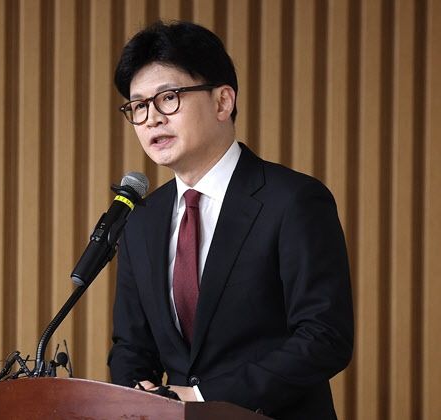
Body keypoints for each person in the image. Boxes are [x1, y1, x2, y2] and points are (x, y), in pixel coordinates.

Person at [108, 20, 353, 420]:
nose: (151, 118)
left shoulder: (293, 200)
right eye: (138, 106)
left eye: (168, 98)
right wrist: (139, 398)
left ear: (222, 102)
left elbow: (324, 337)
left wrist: (203, 397)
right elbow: (131, 347)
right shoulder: (142, 220)